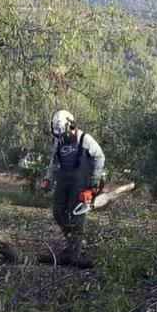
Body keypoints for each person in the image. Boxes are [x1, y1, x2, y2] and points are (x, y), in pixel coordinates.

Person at [41, 109, 105, 261]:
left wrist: (95, 180)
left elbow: (99, 156)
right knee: (57, 211)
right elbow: (54, 162)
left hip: (81, 181)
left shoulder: (85, 139)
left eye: (64, 133)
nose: (63, 137)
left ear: (71, 125)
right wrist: (49, 178)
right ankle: (71, 239)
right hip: (63, 179)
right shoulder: (59, 141)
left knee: (76, 213)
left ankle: (76, 250)